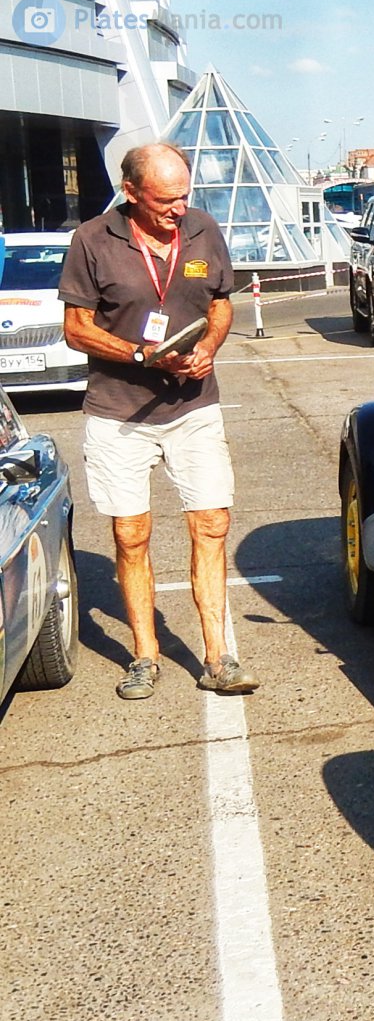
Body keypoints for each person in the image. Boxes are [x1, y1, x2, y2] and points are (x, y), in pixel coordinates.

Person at [58, 142, 258, 700]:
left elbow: (220, 303)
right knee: (131, 534)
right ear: (130, 192)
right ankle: (145, 655)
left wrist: (209, 348)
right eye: (165, 200)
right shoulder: (92, 240)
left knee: (211, 523)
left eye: (184, 196)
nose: (178, 209)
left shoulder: (202, 229)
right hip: (119, 412)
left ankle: (218, 657)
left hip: (194, 406)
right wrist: (140, 355)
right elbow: (76, 329)